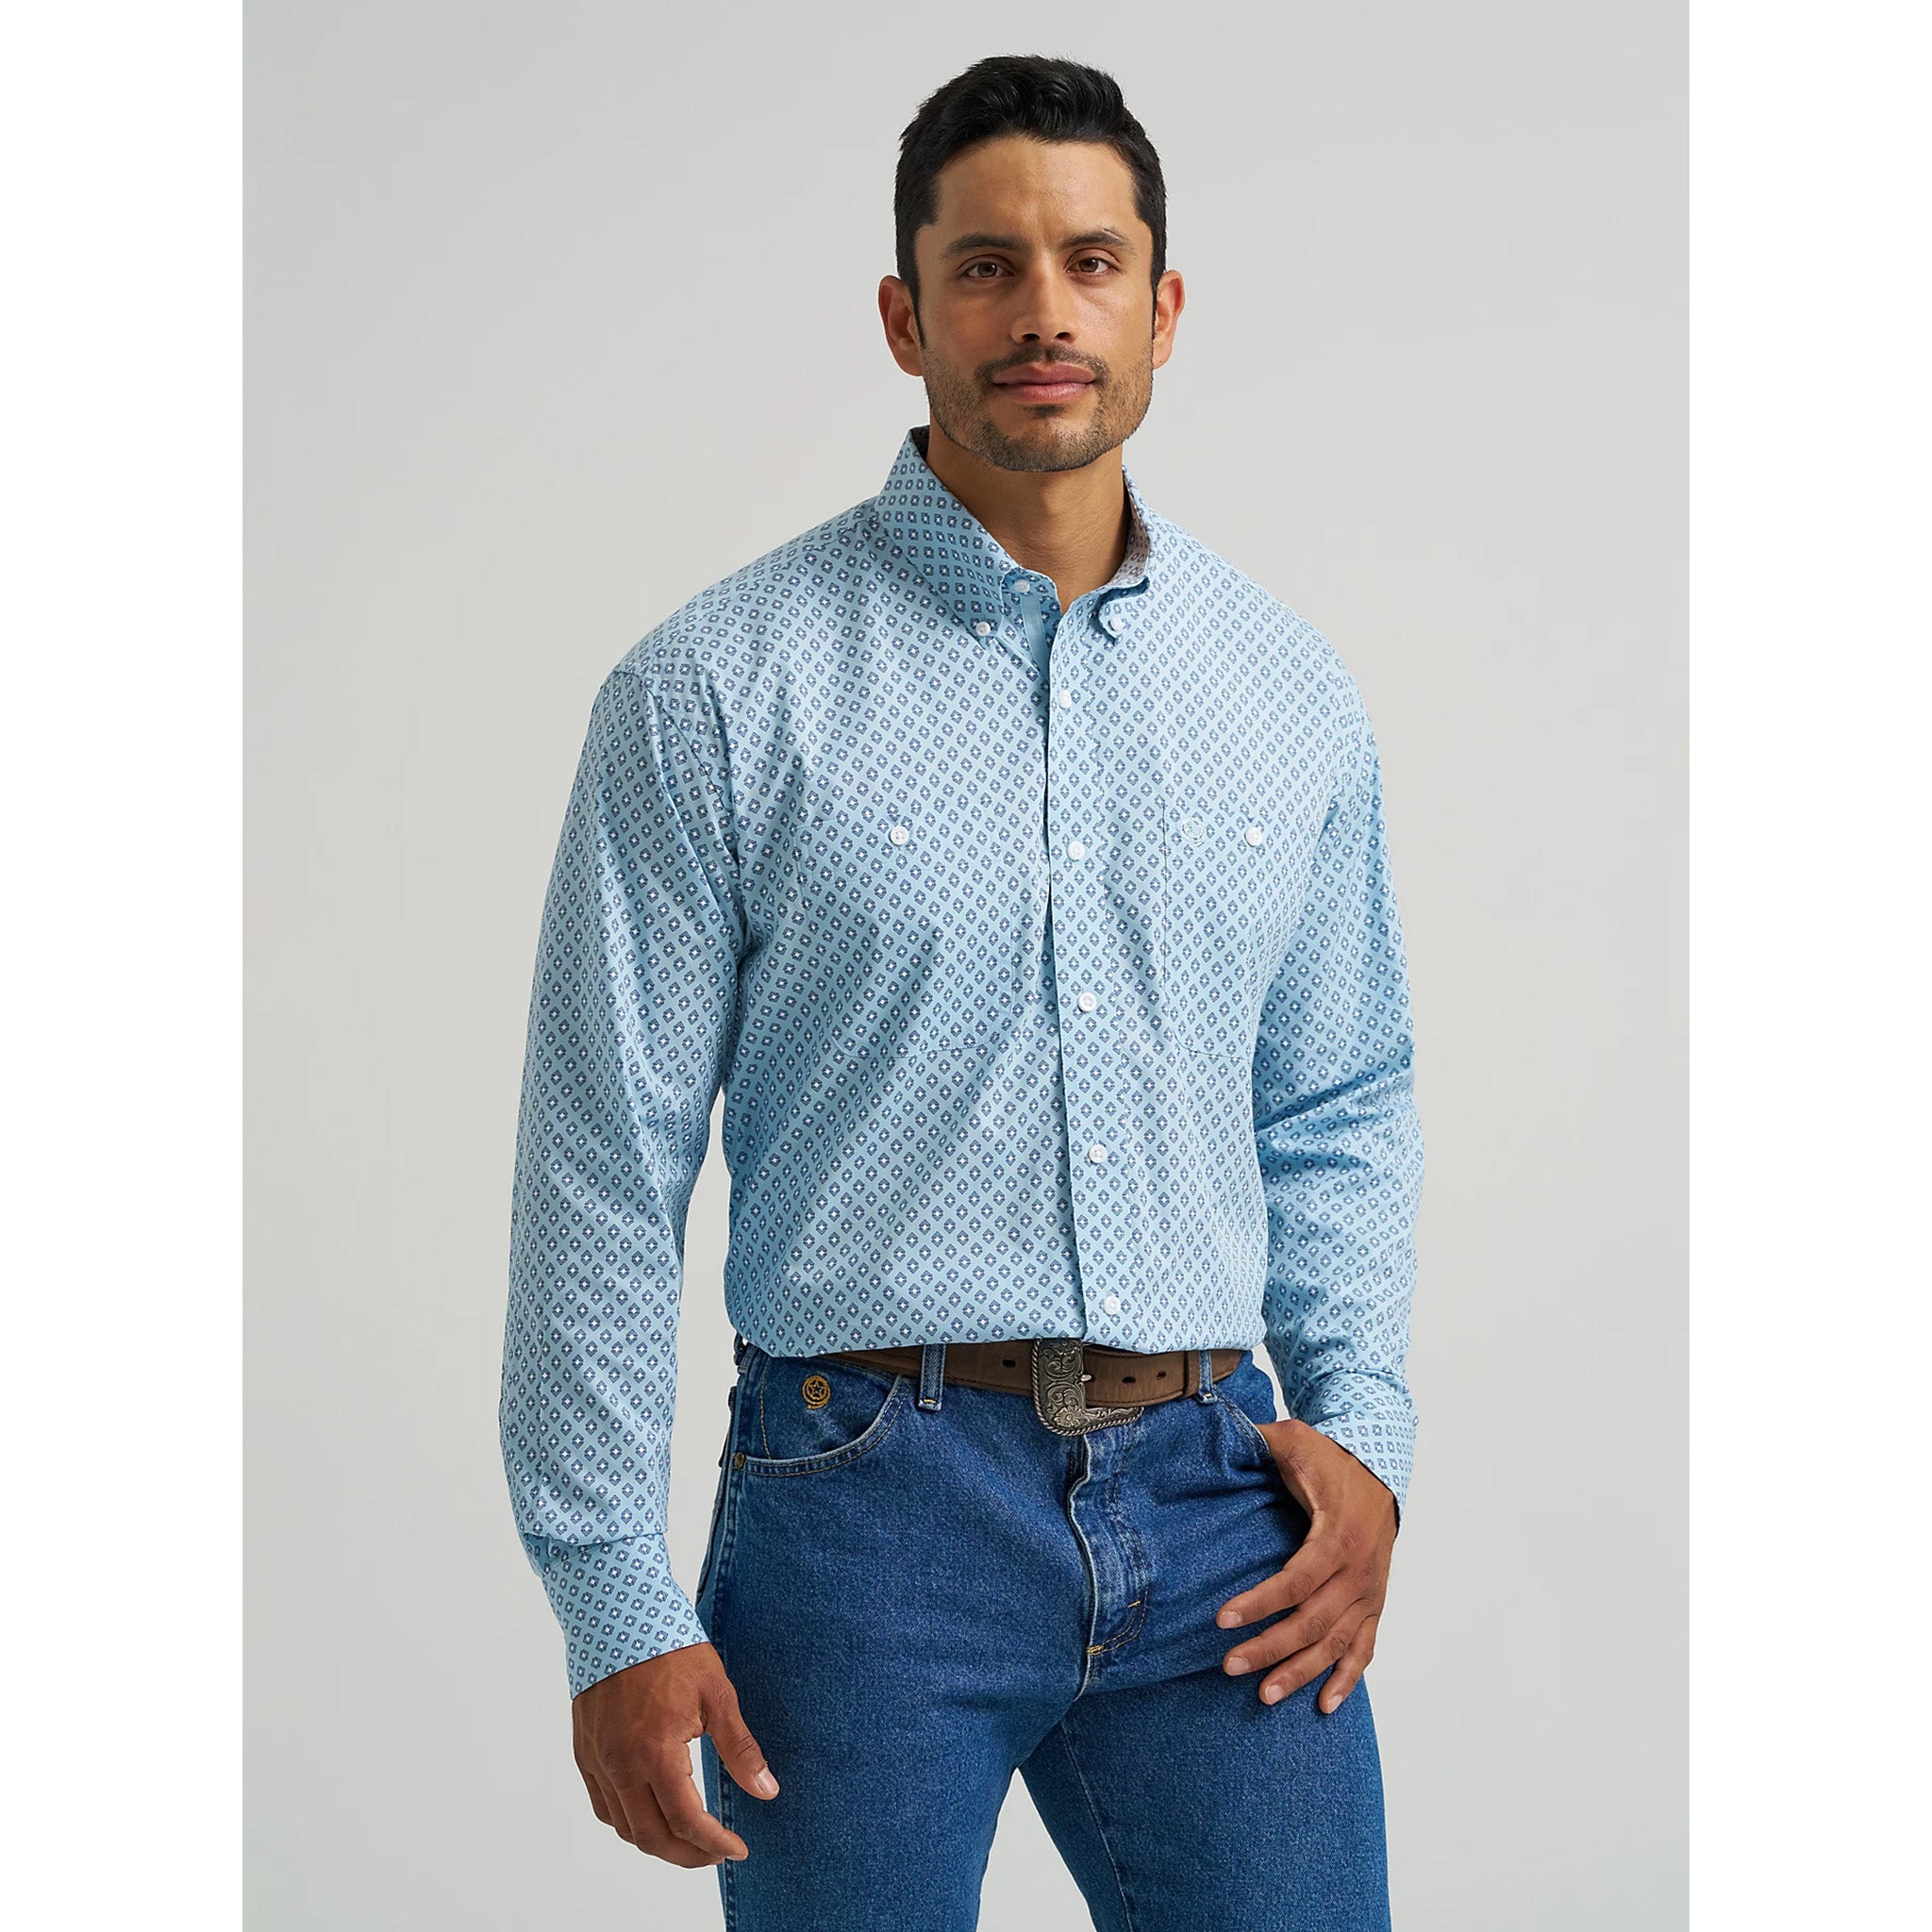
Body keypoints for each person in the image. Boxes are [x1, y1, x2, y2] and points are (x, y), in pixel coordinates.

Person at [498, 53, 1424, 1932]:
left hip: (1224, 1511)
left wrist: (1368, 1440)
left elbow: (1340, 1100)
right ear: (905, 316)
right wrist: (610, 1597)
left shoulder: (1288, 693)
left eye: (1091, 262)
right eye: (987, 267)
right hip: (862, 1522)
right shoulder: (714, 690)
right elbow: (606, 1163)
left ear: (1162, 308)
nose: (1043, 312)